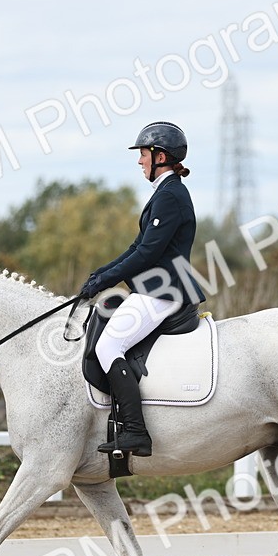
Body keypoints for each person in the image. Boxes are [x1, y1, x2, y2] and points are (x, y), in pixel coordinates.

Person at [79, 121, 206, 458]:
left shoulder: (171, 196)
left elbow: (147, 255)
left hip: (164, 290)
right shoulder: (164, 193)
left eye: (143, 155)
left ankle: (136, 431)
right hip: (156, 287)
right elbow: (138, 247)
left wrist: (106, 281)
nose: (139, 162)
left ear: (160, 156)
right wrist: (101, 274)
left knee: (108, 346)